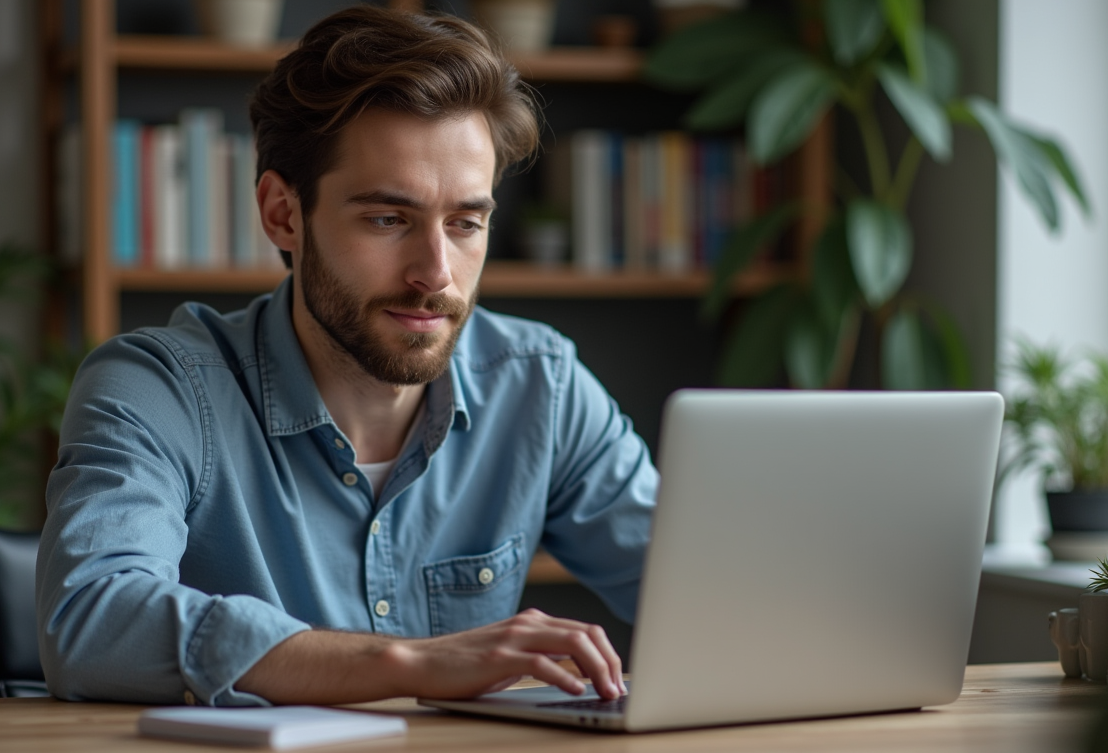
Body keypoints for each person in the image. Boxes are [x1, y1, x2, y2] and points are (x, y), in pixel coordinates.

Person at [35, 5, 656, 708]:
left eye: (465, 223)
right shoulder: (158, 389)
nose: (437, 273)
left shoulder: (541, 386)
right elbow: (90, 621)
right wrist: (408, 664)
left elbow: (708, 592)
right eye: (388, 219)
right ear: (283, 214)